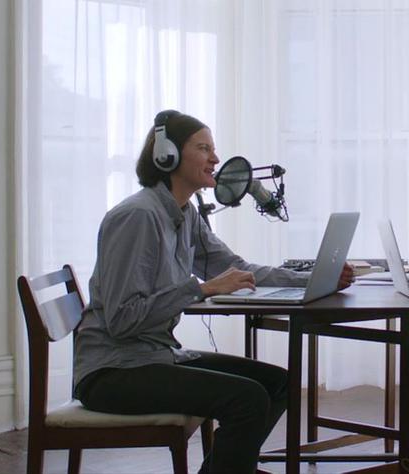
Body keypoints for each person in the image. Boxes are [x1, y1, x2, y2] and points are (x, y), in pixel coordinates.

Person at [73, 110, 355, 474]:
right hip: (112, 372)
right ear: (167, 156)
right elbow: (122, 319)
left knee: (278, 383)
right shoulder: (138, 217)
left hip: (153, 356)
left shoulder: (185, 214)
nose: (216, 159)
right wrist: (201, 289)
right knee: (248, 399)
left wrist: (313, 279)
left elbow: (237, 269)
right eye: (204, 148)